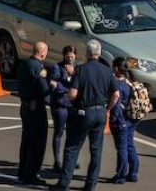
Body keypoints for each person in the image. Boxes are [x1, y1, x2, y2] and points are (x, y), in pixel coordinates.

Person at [52, 39, 119, 191]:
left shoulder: (81, 70)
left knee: (72, 147)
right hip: (101, 112)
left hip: (84, 112)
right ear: (99, 53)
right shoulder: (107, 70)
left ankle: (64, 184)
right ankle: (90, 184)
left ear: (87, 53)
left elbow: (73, 94)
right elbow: (116, 94)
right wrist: (107, 108)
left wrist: (69, 101)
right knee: (96, 149)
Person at [17, 41, 50, 186]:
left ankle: (23, 171)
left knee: (26, 140)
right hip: (36, 109)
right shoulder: (39, 68)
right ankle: (32, 174)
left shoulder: (24, 64)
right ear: (43, 53)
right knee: (37, 143)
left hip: (24, 106)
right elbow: (44, 90)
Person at [108, 58, 140, 185]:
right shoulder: (130, 82)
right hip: (132, 118)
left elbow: (116, 107)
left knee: (121, 148)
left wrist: (113, 118)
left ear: (116, 68)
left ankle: (120, 176)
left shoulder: (118, 86)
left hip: (121, 120)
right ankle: (133, 173)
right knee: (129, 145)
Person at [49, 45, 78, 174]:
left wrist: (73, 74)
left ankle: (70, 159)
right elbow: (55, 85)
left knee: (72, 133)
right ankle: (56, 161)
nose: (70, 59)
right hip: (60, 105)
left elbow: (80, 84)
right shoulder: (57, 67)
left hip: (72, 106)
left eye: (72, 57)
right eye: (68, 57)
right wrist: (70, 90)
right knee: (59, 133)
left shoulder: (77, 69)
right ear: (64, 55)